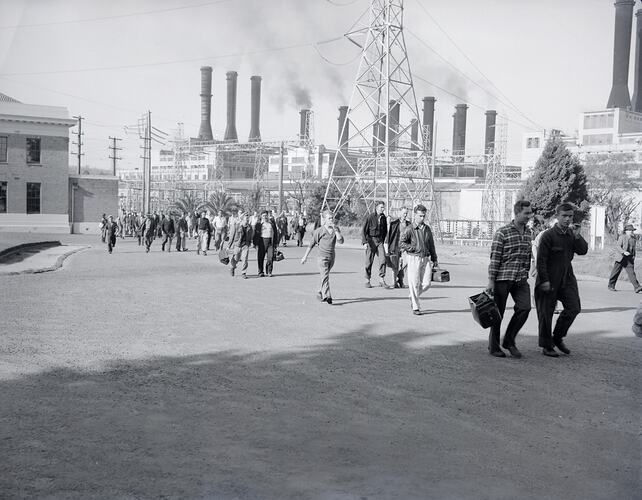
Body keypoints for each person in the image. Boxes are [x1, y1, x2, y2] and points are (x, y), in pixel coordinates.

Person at [535, 202, 589, 357]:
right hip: (549, 278)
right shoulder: (548, 235)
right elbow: (541, 260)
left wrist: (577, 236)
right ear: (557, 216)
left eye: (570, 216)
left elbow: (583, 251)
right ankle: (547, 346)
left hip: (567, 277)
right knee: (546, 313)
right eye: (564, 216)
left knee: (574, 307)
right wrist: (544, 280)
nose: (567, 219)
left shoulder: (572, 234)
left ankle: (557, 337)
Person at [485, 200, 534, 358]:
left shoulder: (529, 233)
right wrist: (491, 281)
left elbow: (527, 255)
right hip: (503, 278)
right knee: (497, 313)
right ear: (517, 213)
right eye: (526, 213)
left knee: (525, 308)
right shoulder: (502, 232)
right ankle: (494, 347)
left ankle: (509, 340)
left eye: (530, 213)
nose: (529, 216)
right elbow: (495, 258)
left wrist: (526, 271)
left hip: (520, 279)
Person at [399, 204, 438, 315]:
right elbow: (401, 243)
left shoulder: (427, 229)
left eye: (424, 216)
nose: (422, 218)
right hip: (413, 258)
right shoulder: (409, 229)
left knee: (426, 283)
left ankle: (412, 296)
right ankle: (416, 307)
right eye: (420, 215)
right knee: (414, 283)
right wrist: (412, 248)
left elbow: (431, 244)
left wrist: (434, 258)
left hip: (425, 258)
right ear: (415, 215)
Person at [301, 210, 344, 304]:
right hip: (322, 257)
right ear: (324, 220)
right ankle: (327, 295)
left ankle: (319, 291)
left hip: (331, 257)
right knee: (325, 276)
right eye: (329, 218)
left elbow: (341, 241)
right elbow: (311, 244)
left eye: (332, 218)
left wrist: (336, 231)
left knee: (324, 276)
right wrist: (305, 257)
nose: (331, 220)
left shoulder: (336, 229)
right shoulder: (319, 231)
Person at [362, 201, 389, 288]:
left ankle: (381, 279)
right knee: (369, 261)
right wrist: (365, 242)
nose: (383, 209)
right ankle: (367, 280)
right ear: (377, 207)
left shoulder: (383, 218)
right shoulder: (370, 217)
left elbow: (385, 230)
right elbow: (364, 230)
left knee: (383, 260)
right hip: (371, 241)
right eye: (381, 207)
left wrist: (383, 241)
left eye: (383, 207)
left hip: (379, 241)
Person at [608, 224, 642, 293]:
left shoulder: (633, 239)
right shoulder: (622, 237)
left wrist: (633, 257)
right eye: (629, 230)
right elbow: (618, 246)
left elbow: (633, 249)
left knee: (631, 273)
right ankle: (611, 285)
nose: (631, 231)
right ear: (626, 231)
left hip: (629, 258)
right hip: (620, 257)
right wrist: (623, 252)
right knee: (615, 272)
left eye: (632, 230)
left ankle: (637, 287)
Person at [386, 206, 411, 288]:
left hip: (405, 247)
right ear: (400, 213)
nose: (405, 215)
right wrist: (388, 247)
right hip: (395, 246)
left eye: (406, 213)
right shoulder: (394, 224)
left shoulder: (409, 224)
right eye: (404, 213)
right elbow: (389, 236)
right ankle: (394, 282)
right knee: (395, 264)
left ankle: (400, 278)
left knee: (406, 262)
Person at [228, 212, 254, 278]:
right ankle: (232, 267)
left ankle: (243, 272)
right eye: (246, 218)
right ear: (242, 219)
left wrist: (251, 243)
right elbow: (232, 235)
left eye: (248, 218)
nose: (247, 220)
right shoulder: (236, 226)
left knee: (245, 258)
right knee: (236, 258)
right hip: (237, 244)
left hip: (245, 245)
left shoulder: (249, 227)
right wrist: (229, 246)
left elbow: (251, 236)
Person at [254, 210, 278, 277]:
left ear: (268, 216)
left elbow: (275, 233)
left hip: (270, 242)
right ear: (261, 216)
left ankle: (269, 271)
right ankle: (260, 271)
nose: (265, 217)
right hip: (262, 241)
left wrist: (276, 242)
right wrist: (255, 244)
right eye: (263, 216)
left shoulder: (271, 223)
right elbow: (256, 234)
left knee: (270, 257)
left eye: (266, 215)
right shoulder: (259, 224)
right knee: (260, 257)